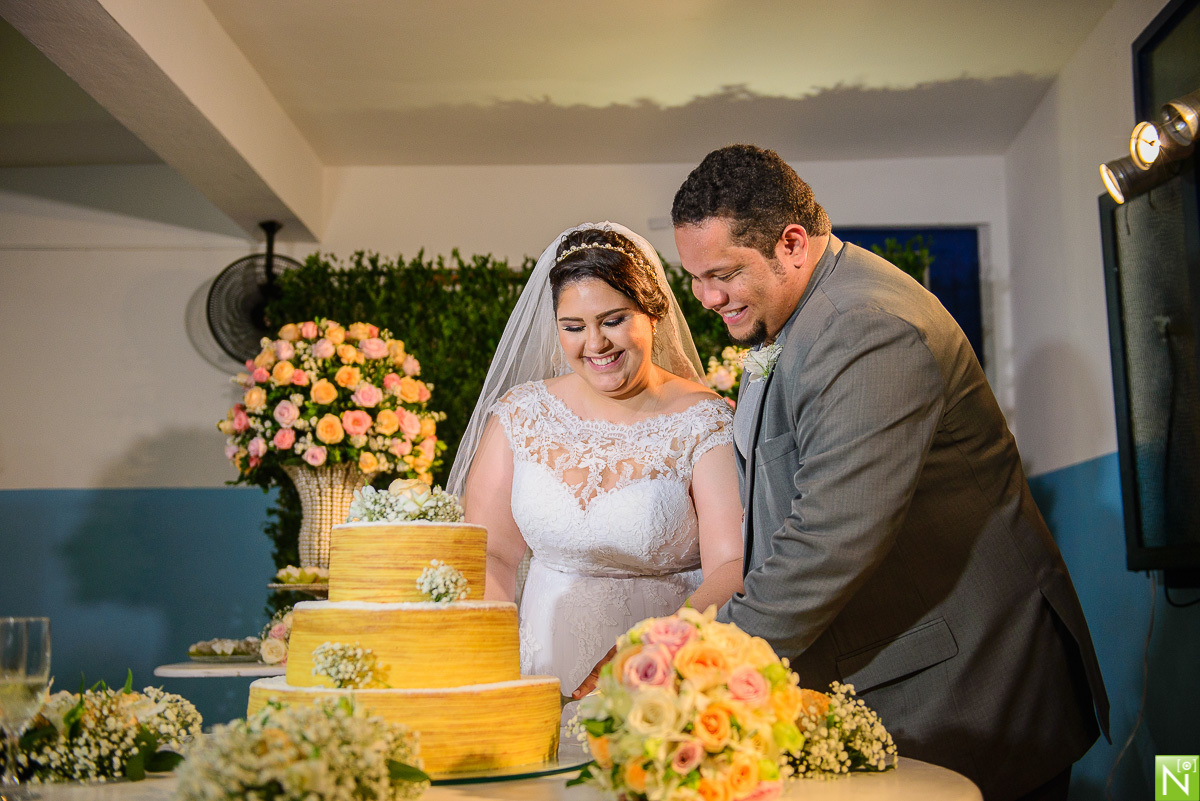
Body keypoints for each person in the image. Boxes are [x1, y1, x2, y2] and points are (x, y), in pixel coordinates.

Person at [666, 145, 1110, 801]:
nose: (704, 297)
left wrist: (702, 666)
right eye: (695, 277)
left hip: (974, 688)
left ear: (790, 244)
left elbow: (829, 536)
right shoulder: (800, 319)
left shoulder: (863, 324)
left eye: (723, 273)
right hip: (904, 678)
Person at [448, 222, 744, 696]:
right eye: (573, 327)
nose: (595, 344)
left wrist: (654, 652)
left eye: (612, 320)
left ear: (653, 314)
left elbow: (732, 566)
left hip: (663, 674)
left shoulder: (704, 421)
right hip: (535, 669)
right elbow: (493, 554)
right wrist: (493, 666)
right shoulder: (520, 414)